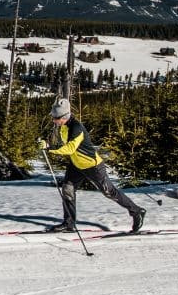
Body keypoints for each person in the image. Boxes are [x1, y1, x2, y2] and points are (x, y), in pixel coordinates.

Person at [38, 98, 146, 233]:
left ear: (63, 117)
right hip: (76, 165)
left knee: (109, 192)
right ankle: (69, 223)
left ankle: (137, 211)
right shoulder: (64, 127)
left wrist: (49, 147)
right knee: (67, 190)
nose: (53, 120)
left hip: (92, 166)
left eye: (55, 118)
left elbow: (70, 148)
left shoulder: (76, 128)